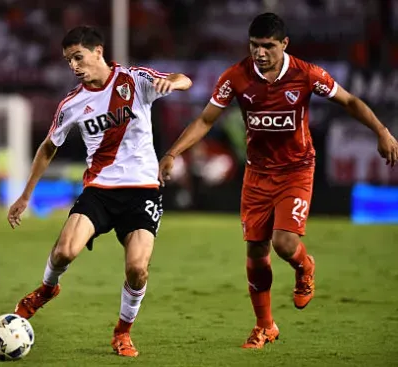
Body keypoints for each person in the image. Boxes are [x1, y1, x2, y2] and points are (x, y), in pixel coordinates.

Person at [158, 13, 398, 349]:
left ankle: (304, 265)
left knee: (283, 244)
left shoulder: (306, 73)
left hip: (297, 169)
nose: (260, 52)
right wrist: (172, 153)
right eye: (254, 45)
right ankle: (265, 326)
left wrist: (382, 132)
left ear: (284, 44)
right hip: (257, 173)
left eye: (268, 46)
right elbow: (206, 120)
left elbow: (350, 101)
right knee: (256, 250)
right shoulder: (236, 77)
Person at [7, 25, 192, 357]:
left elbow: (184, 79)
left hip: (143, 191)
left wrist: (173, 82)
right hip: (100, 190)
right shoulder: (72, 103)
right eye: (68, 61)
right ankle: (47, 290)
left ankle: (122, 332)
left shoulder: (134, 80)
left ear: (98, 52)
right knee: (64, 252)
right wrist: (25, 195)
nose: (74, 67)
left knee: (137, 269)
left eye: (78, 58)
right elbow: (48, 147)